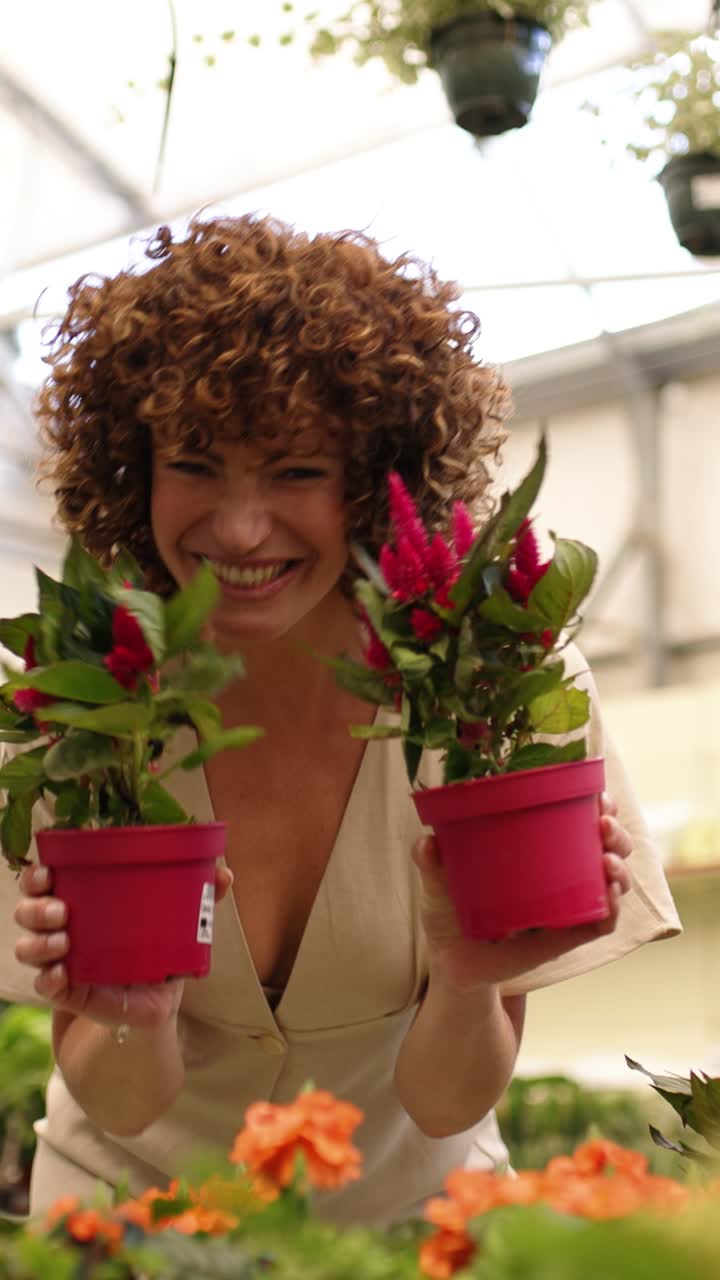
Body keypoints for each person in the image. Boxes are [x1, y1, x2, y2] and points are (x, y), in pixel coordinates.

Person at [0, 214, 680, 1226]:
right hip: (129, 1227)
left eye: (297, 471)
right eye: (193, 463)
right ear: (132, 469)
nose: (237, 527)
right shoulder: (78, 703)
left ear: (377, 483)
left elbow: (447, 1099)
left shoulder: (492, 693)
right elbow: (121, 1092)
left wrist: (465, 980)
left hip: (413, 1227)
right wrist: (131, 1015)